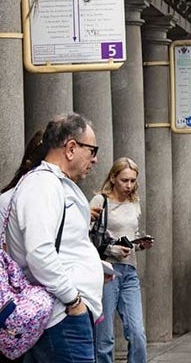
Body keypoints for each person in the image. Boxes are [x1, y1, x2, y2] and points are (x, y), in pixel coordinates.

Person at [1, 113, 104, 362]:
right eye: (92, 150)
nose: (95, 159)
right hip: (63, 315)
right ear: (71, 148)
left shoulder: (54, 184)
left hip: (65, 313)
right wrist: (74, 299)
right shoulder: (43, 185)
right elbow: (40, 252)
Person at [91, 158, 151, 363]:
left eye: (133, 180)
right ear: (113, 177)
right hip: (106, 271)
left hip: (129, 270)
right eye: (125, 180)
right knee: (104, 336)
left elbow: (130, 235)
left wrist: (139, 244)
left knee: (137, 332)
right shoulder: (100, 201)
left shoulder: (135, 202)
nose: (129, 185)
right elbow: (85, 238)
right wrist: (110, 249)